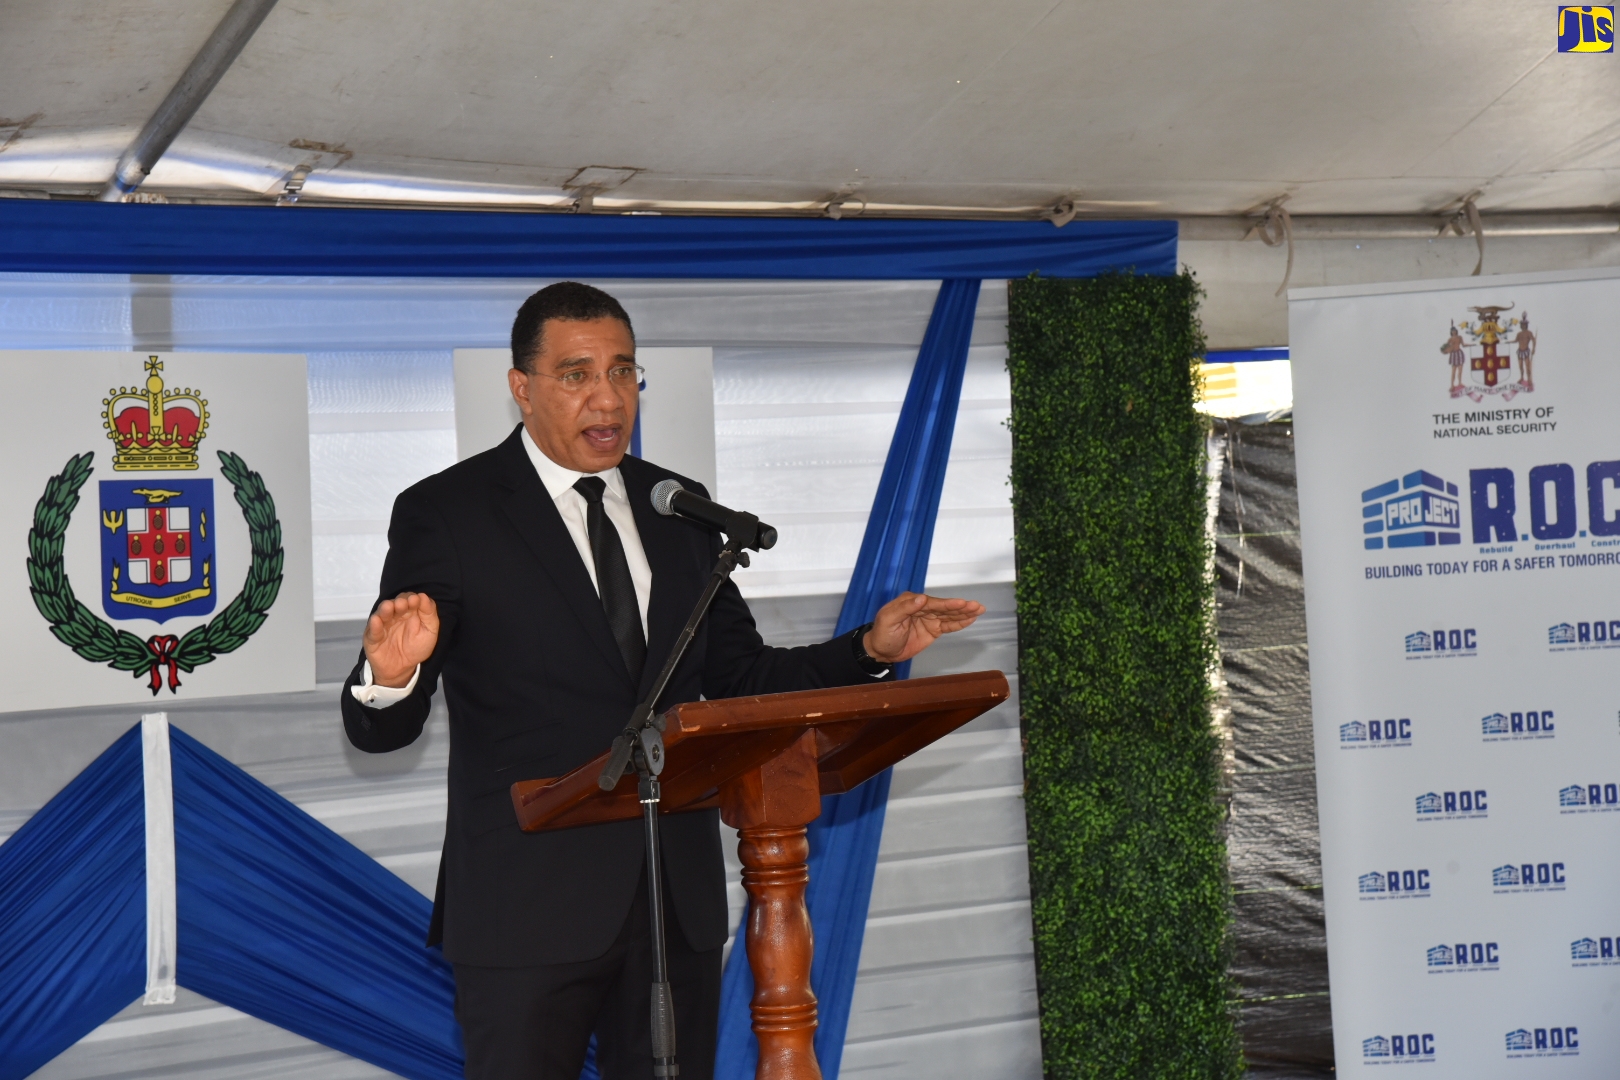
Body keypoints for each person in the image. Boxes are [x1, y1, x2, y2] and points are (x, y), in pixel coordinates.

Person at [340, 281, 984, 1080]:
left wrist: (870, 649)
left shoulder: (677, 509)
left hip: (670, 905)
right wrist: (389, 675)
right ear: (522, 388)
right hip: (525, 909)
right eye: (577, 375)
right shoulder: (449, 512)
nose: (607, 397)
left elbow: (746, 677)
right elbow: (379, 728)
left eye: (622, 372)